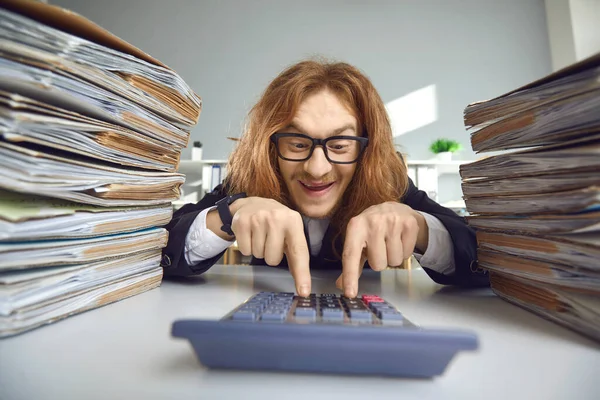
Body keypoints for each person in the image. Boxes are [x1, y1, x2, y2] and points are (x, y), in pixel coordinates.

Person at [161, 59, 489, 297]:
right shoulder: (247, 185)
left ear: (366, 147)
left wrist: (420, 228)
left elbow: (484, 259)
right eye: (298, 143)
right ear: (271, 146)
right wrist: (228, 215)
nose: (317, 168)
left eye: (341, 144)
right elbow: (162, 244)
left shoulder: (390, 184)